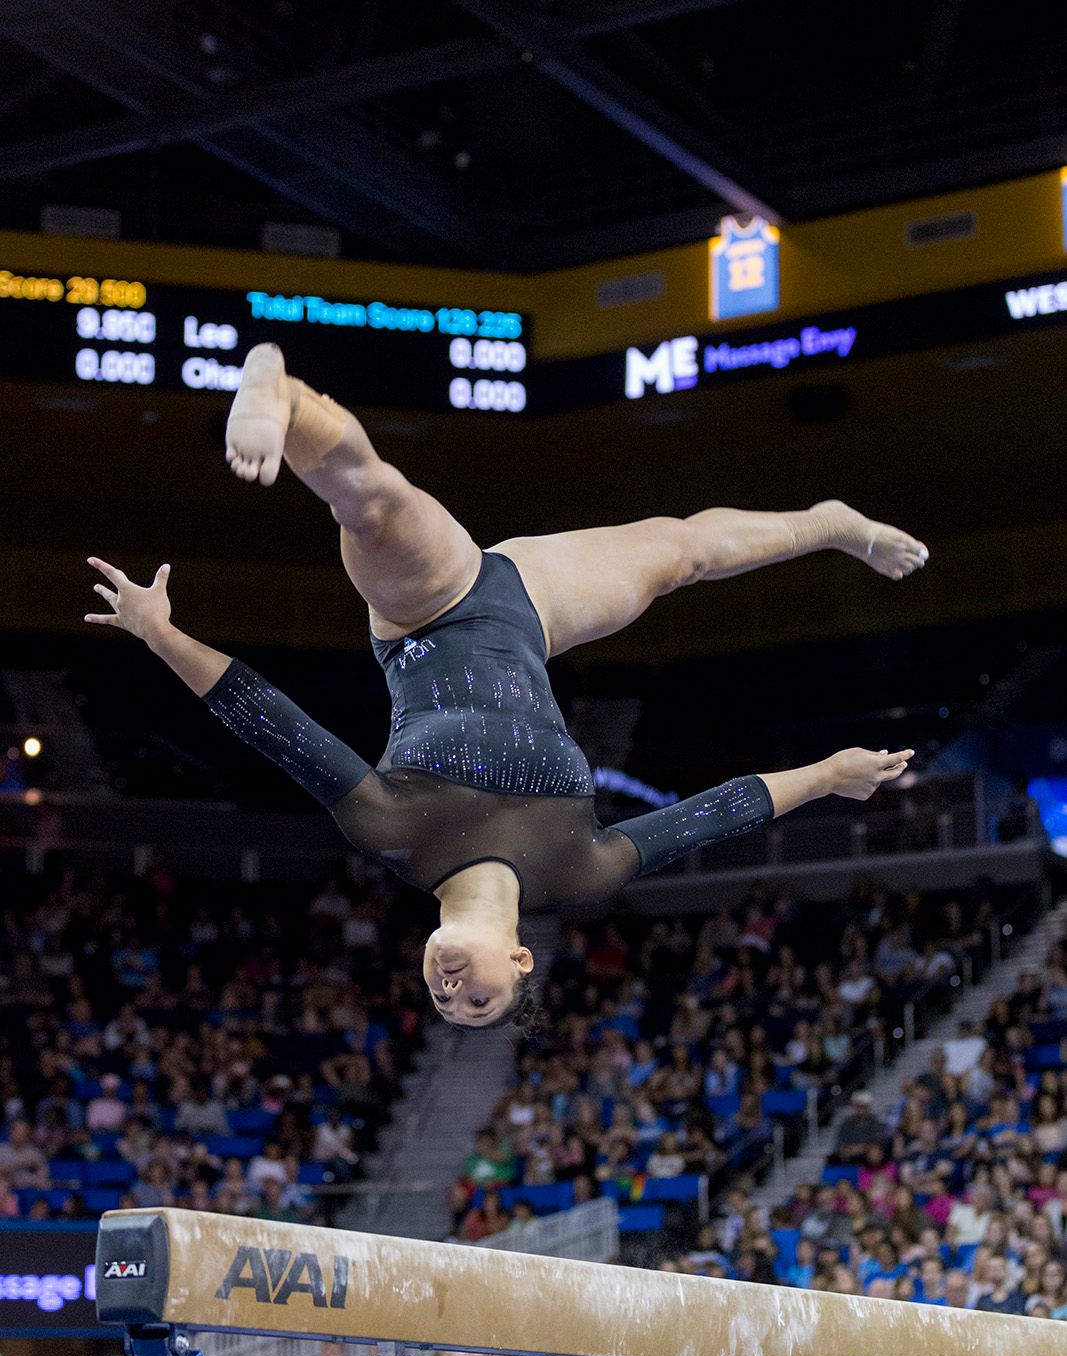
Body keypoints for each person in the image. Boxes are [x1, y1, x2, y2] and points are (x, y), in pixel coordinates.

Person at [85, 344, 925, 1031]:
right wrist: (824, 777)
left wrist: (159, 634)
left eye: (441, 999)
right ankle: (831, 521)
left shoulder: (393, 834)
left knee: (374, 509)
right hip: (536, 609)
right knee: (684, 553)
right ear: (521, 959)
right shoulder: (582, 872)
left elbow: (272, 722)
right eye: (476, 998)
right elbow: (713, 813)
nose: (450, 987)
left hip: (430, 611)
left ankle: (284, 395)